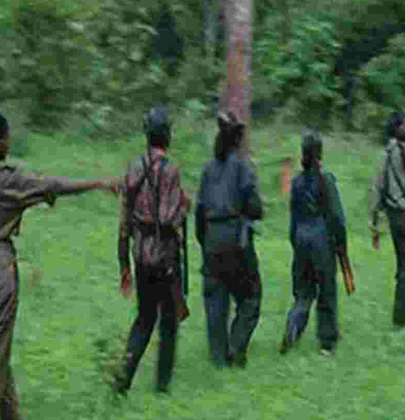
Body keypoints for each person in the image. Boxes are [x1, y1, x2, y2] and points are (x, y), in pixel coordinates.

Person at [0, 112, 115, 420]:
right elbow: (54, 185)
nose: (9, 143)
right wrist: (97, 183)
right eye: (6, 138)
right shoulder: (9, 179)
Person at [112, 107, 191, 394]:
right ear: (166, 134)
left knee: (144, 318)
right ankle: (162, 386)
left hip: (140, 256)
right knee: (168, 322)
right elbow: (170, 218)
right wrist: (185, 207)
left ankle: (122, 378)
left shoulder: (134, 167)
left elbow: (124, 223)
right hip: (165, 257)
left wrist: (124, 264)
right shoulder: (170, 170)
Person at [194, 110, 263, 368]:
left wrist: (205, 242)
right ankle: (236, 345)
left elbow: (199, 212)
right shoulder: (244, 168)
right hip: (236, 241)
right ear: (237, 139)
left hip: (212, 241)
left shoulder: (207, 170)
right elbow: (255, 208)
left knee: (215, 299)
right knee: (251, 296)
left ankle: (218, 357)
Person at [280, 130, 346, 356]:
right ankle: (327, 343)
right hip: (322, 242)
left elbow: (293, 218)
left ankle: (292, 327)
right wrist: (341, 245)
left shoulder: (297, 182)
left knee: (303, 293)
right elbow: (336, 217)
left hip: (301, 241)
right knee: (326, 292)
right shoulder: (326, 179)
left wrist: (295, 242)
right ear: (320, 153)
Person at [371, 112, 405, 330]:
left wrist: (375, 224)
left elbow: (378, 189)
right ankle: (399, 318)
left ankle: (399, 317)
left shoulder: (385, 154)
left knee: (402, 265)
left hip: (395, 216)